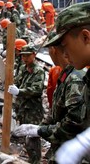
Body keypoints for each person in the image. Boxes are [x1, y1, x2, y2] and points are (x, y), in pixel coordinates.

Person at [13, 31, 85, 163]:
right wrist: (40, 127)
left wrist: (41, 131)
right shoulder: (65, 74)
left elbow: (72, 125)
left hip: (70, 151)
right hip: (61, 147)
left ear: (52, 50)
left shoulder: (74, 78)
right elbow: (56, 109)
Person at [34, 2, 90, 163]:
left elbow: (75, 121)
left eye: (65, 46)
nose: (64, 54)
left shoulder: (76, 77)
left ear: (85, 37)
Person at [8, 45, 45, 164]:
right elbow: (17, 81)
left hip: (33, 110)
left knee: (32, 137)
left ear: (34, 55)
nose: (25, 58)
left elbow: (37, 90)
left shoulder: (38, 71)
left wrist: (19, 91)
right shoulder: (23, 68)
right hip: (22, 108)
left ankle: (36, 161)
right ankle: (31, 158)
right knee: (26, 136)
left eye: (28, 55)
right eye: (23, 55)